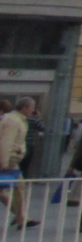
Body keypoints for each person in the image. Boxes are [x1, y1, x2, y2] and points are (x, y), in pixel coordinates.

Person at [0, 96, 40, 230]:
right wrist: (4, 162)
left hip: (10, 160)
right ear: (24, 108)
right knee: (18, 188)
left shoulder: (15, 119)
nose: (33, 111)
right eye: (31, 108)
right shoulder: (14, 121)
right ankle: (21, 217)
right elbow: (6, 142)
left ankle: (20, 217)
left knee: (18, 188)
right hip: (9, 161)